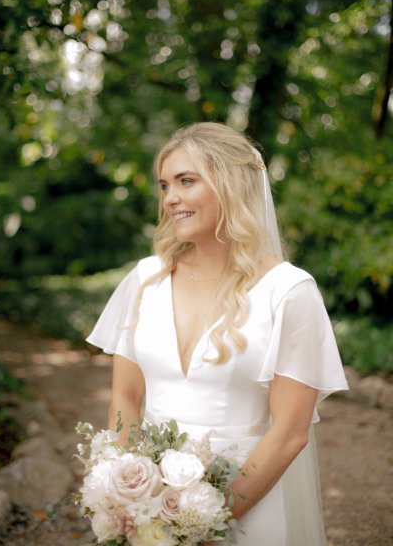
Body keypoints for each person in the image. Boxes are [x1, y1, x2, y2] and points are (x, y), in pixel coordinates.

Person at [87, 122, 349, 546]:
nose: (171, 198)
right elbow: (126, 398)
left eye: (186, 181)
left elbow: (289, 434)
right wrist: (133, 494)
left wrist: (205, 523)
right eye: (165, 185)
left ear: (230, 185)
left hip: (250, 502)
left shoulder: (289, 292)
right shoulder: (145, 279)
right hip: (150, 509)